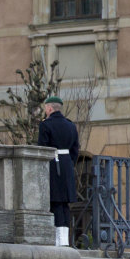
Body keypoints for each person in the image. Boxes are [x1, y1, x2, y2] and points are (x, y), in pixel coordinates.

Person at [38, 96, 80, 247]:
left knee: (55, 203)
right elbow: (75, 150)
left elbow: (42, 149)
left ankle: (57, 240)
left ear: (49, 108)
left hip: (53, 165)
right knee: (64, 205)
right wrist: (69, 163)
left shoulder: (46, 125)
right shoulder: (70, 125)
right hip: (67, 165)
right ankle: (64, 240)